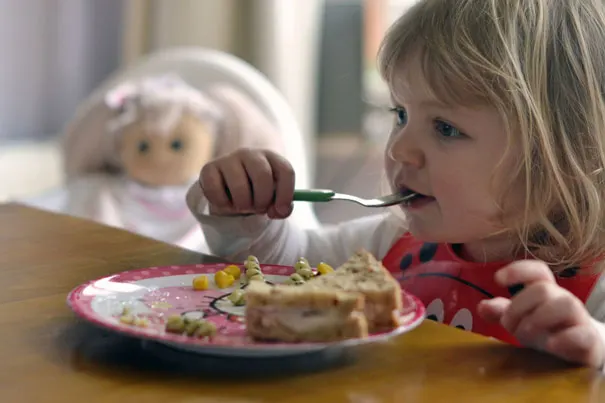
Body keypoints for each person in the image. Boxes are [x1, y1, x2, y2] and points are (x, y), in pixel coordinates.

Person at [185, 0, 605, 369]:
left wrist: (591, 348)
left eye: (446, 127)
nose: (401, 148)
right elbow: (288, 268)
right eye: (400, 114)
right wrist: (245, 215)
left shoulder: (593, 285)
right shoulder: (396, 242)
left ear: (566, 155)